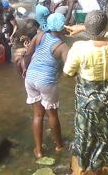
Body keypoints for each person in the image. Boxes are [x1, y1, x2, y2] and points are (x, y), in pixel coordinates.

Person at [63, 11, 108, 175]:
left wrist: (83, 28)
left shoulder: (79, 48)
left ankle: (90, 169)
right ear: (105, 27)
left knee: (87, 140)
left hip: (88, 103)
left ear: (88, 29)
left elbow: (67, 73)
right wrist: (88, 27)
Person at [23, 13, 69, 159]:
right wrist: (62, 78)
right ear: (63, 28)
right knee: (52, 115)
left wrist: (25, 69)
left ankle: (39, 150)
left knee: (37, 115)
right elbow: (68, 70)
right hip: (46, 80)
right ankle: (59, 145)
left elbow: (28, 55)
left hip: (31, 77)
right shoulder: (62, 46)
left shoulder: (40, 36)